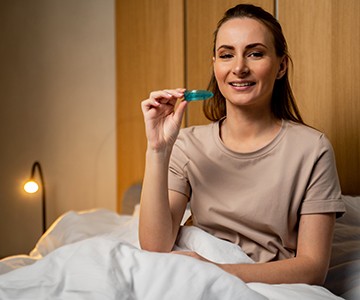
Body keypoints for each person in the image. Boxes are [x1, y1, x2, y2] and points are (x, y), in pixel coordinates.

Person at [139, 4, 345, 285]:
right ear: (215, 64)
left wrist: (216, 272)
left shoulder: (312, 149)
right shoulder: (187, 145)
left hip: (262, 284)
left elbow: (312, 268)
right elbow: (155, 247)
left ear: (281, 66)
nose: (239, 68)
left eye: (256, 53)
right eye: (226, 55)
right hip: (193, 273)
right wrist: (158, 149)